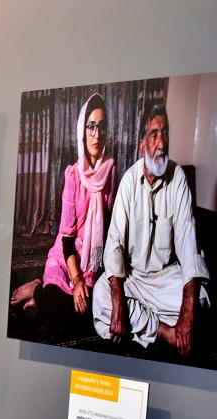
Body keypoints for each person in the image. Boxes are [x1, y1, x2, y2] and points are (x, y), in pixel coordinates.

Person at [92, 104, 210, 357]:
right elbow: (114, 242)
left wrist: (187, 314)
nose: (161, 143)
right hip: (133, 278)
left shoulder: (178, 178)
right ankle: (165, 331)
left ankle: (146, 323)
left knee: (201, 299)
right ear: (141, 144)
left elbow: (189, 244)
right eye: (154, 134)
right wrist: (117, 300)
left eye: (165, 133)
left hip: (165, 277)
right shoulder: (129, 181)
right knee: (101, 296)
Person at [10, 94, 117, 320]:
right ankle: (38, 287)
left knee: (87, 312)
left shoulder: (111, 170)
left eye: (101, 127)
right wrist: (76, 279)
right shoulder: (73, 175)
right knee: (58, 305)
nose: (96, 135)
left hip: (93, 257)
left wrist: (94, 276)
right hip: (68, 256)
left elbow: (108, 226)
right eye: (90, 127)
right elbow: (67, 237)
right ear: (82, 131)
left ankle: (40, 295)